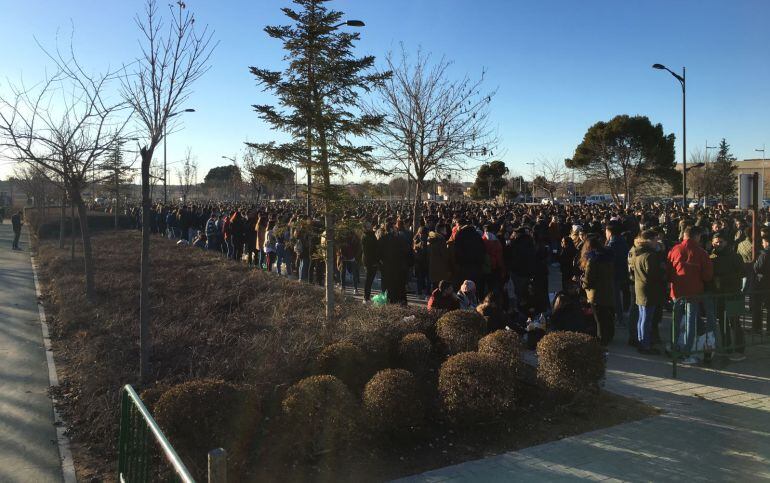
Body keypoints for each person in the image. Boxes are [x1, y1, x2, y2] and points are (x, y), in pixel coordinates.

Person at [668, 226, 713, 364]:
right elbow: (707, 276)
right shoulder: (701, 253)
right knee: (690, 323)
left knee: (675, 321)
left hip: (676, 292)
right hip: (693, 293)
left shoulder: (674, 250)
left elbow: (669, 271)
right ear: (697, 236)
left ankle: (673, 347)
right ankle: (687, 352)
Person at [710, 231, 745, 361]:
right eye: (716, 242)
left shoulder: (735, 257)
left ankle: (740, 349)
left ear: (726, 242)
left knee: (735, 323)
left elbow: (742, 273)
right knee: (722, 322)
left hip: (734, 294)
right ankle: (726, 346)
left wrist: (723, 279)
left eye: (721, 241)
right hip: (719, 295)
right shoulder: (711, 257)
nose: (718, 244)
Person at [629, 230, 666, 354]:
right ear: (649, 240)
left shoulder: (637, 252)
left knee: (642, 317)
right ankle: (645, 345)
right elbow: (653, 274)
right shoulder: (649, 256)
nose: (657, 242)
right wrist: (662, 269)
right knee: (646, 319)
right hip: (649, 289)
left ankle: (641, 340)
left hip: (639, 287)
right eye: (655, 239)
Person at [580, 236, 616, 347]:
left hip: (596, 293)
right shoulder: (608, 257)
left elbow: (589, 280)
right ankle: (609, 335)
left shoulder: (593, 260)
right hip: (608, 290)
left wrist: (582, 282)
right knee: (607, 316)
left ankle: (601, 340)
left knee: (599, 319)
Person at [361, 220, 379, 302]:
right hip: (369, 261)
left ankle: (367, 296)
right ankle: (366, 297)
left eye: (370, 225)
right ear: (365, 228)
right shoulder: (366, 237)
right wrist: (373, 262)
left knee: (370, 280)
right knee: (368, 280)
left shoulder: (371, 235)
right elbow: (368, 252)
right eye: (368, 226)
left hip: (372, 261)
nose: (371, 227)